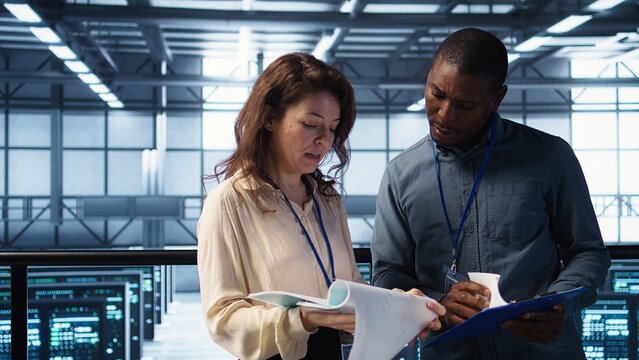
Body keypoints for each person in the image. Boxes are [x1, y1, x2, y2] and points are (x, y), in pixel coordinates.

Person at [371, 28, 611, 359]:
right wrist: (437, 302)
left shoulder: (548, 156)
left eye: (464, 105)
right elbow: (387, 273)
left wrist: (560, 302)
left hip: (543, 352)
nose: (444, 115)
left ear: (497, 98)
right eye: (436, 94)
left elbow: (589, 252)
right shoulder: (401, 174)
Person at [197, 52, 444, 360]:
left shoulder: (327, 200)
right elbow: (222, 320)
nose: (324, 141)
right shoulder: (229, 203)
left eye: (332, 127)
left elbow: (351, 287)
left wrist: (401, 306)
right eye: (311, 124)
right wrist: (304, 318)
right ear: (270, 118)